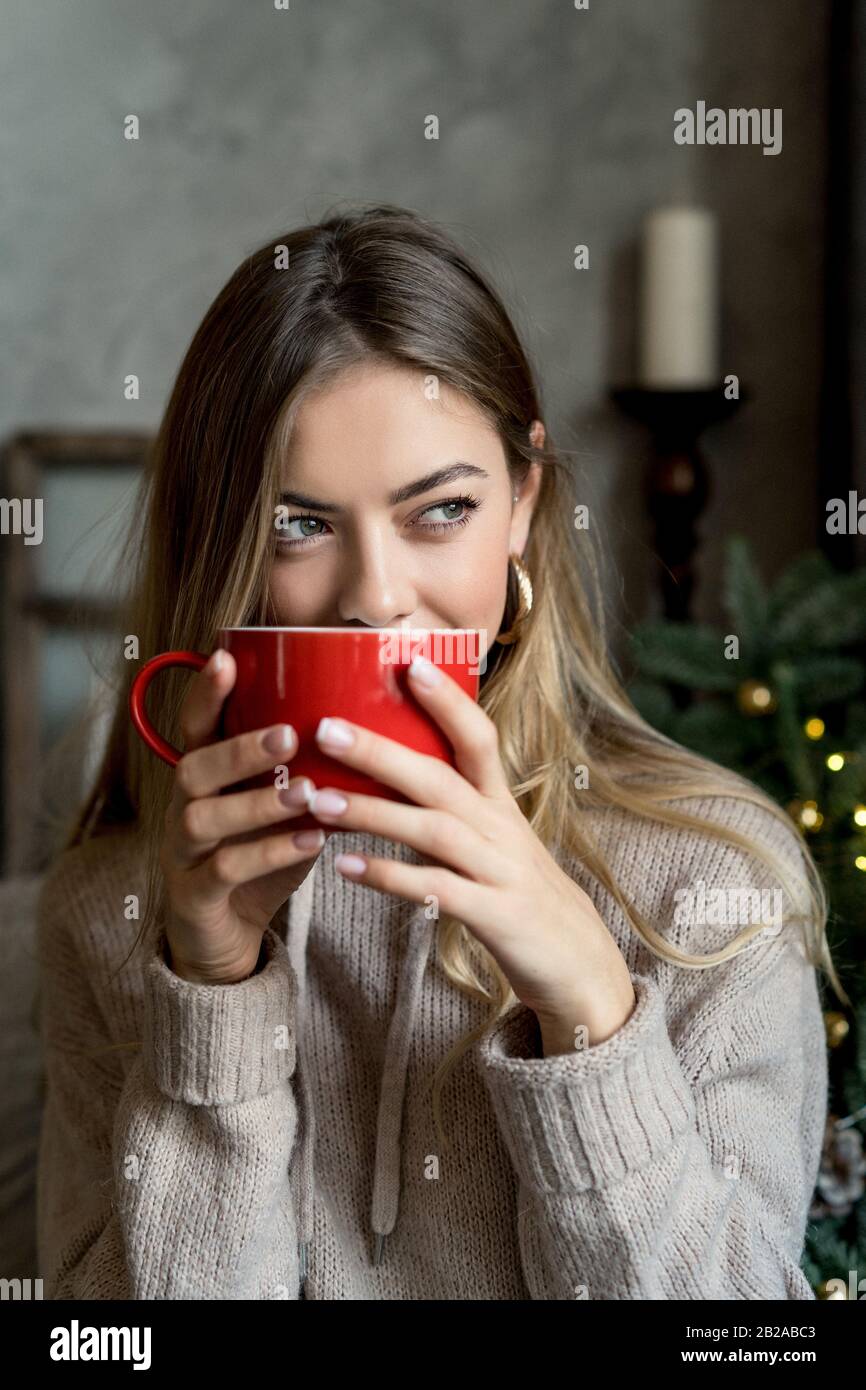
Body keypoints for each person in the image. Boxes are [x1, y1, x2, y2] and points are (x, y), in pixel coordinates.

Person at [35, 203, 842, 1300]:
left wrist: (593, 1015)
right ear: (220, 543)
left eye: (440, 509)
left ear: (521, 503)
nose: (374, 599)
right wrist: (211, 999)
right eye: (297, 524)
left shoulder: (708, 886)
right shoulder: (110, 914)